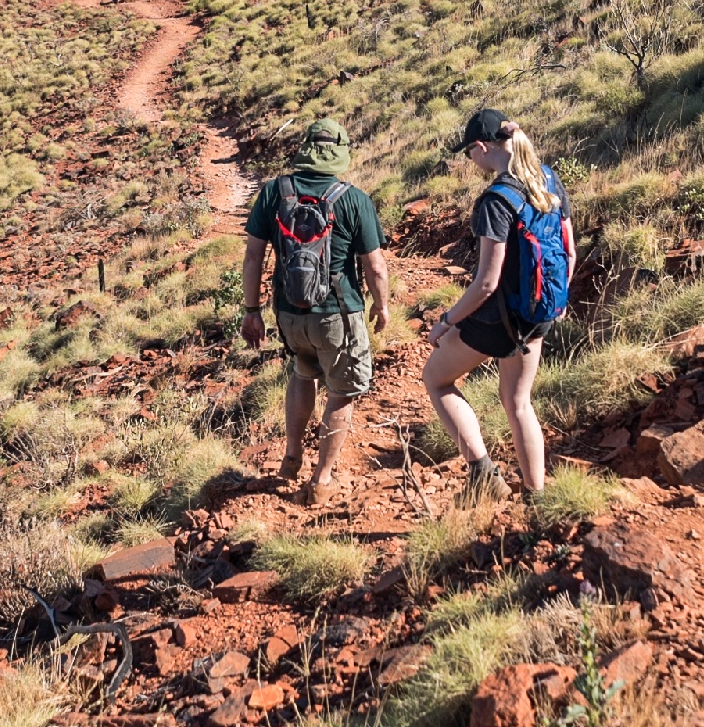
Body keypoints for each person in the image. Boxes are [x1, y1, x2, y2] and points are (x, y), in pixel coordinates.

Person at [423, 107, 574, 508]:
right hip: (538, 313)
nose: (469, 160)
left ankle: (483, 474)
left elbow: (487, 283)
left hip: (501, 318)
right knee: (518, 402)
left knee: (436, 379)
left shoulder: (496, 199)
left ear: (482, 146)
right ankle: (536, 499)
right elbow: (570, 252)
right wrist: (554, 303)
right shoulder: (548, 180)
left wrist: (446, 321)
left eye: (468, 153)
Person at [239, 117, 390, 502]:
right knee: (341, 393)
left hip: (289, 315)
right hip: (338, 314)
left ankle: (291, 459)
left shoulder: (274, 192)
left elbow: (253, 256)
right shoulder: (354, 199)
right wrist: (382, 306)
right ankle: (322, 479)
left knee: (302, 373)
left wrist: (251, 310)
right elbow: (374, 265)